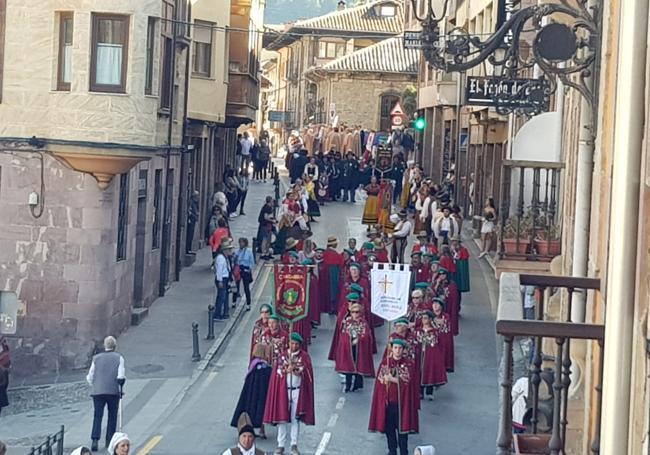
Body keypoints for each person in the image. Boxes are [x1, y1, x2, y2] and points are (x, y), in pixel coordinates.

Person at [263, 333, 315, 455]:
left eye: (296, 344)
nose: (294, 346)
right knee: (282, 419)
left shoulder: (305, 357)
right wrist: (286, 370)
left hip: (297, 391)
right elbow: (278, 373)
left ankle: (294, 444)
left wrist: (296, 370)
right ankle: (280, 445)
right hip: (284, 391)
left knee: (294, 419)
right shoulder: (282, 357)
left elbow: (307, 374)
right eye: (292, 343)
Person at [368, 339, 418, 455]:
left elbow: (407, 381)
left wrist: (393, 379)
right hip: (388, 403)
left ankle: (403, 451)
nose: (397, 350)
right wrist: (384, 380)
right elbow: (380, 382)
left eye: (400, 348)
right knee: (389, 429)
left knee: (402, 431)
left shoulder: (408, 364)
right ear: (392, 349)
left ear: (403, 350)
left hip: (402, 404)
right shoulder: (385, 363)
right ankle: (392, 450)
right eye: (395, 348)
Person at [86, 336, 126, 452]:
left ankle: (95, 439)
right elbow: (121, 376)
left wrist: (95, 384)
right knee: (112, 416)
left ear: (105, 345)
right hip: (113, 392)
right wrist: (120, 386)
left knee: (97, 416)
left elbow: (90, 376)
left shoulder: (96, 358)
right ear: (115, 346)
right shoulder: (119, 358)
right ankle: (109, 440)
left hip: (98, 392)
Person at [231, 344, 273, 440]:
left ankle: (248, 429)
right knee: (261, 410)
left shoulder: (253, 364)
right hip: (260, 393)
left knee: (248, 410)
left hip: (250, 392)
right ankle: (261, 430)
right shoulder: (265, 367)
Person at [334, 303, 375, 392]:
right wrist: (348, 340)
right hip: (349, 347)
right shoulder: (347, 322)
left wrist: (359, 340)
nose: (355, 314)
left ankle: (357, 384)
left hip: (359, 348)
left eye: (357, 312)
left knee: (358, 366)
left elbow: (367, 334)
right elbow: (343, 334)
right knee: (348, 366)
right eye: (353, 312)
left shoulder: (363, 323)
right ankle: (348, 385)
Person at [416, 310, 447, 400]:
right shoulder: (418, 331)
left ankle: (429, 392)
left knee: (429, 371)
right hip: (420, 354)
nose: (423, 320)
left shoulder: (435, 332)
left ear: (430, 319)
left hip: (430, 356)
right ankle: (420, 392)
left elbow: (440, 344)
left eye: (425, 318)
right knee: (420, 372)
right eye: (422, 318)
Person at [215, 239, 235, 320]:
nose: (231, 251)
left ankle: (224, 313)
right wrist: (220, 281)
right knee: (221, 297)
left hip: (225, 279)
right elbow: (219, 270)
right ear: (225, 250)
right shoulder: (221, 258)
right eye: (229, 249)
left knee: (224, 296)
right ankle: (217, 314)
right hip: (222, 279)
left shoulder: (225, 258)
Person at [235, 238, 255, 311]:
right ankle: (234, 302)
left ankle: (248, 304)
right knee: (236, 286)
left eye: (242, 242)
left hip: (245, 271)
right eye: (239, 242)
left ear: (245, 243)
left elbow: (252, 262)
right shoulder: (237, 252)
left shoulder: (249, 252)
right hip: (238, 270)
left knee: (246, 288)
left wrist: (248, 269)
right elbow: (235, 261)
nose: (240, 244)